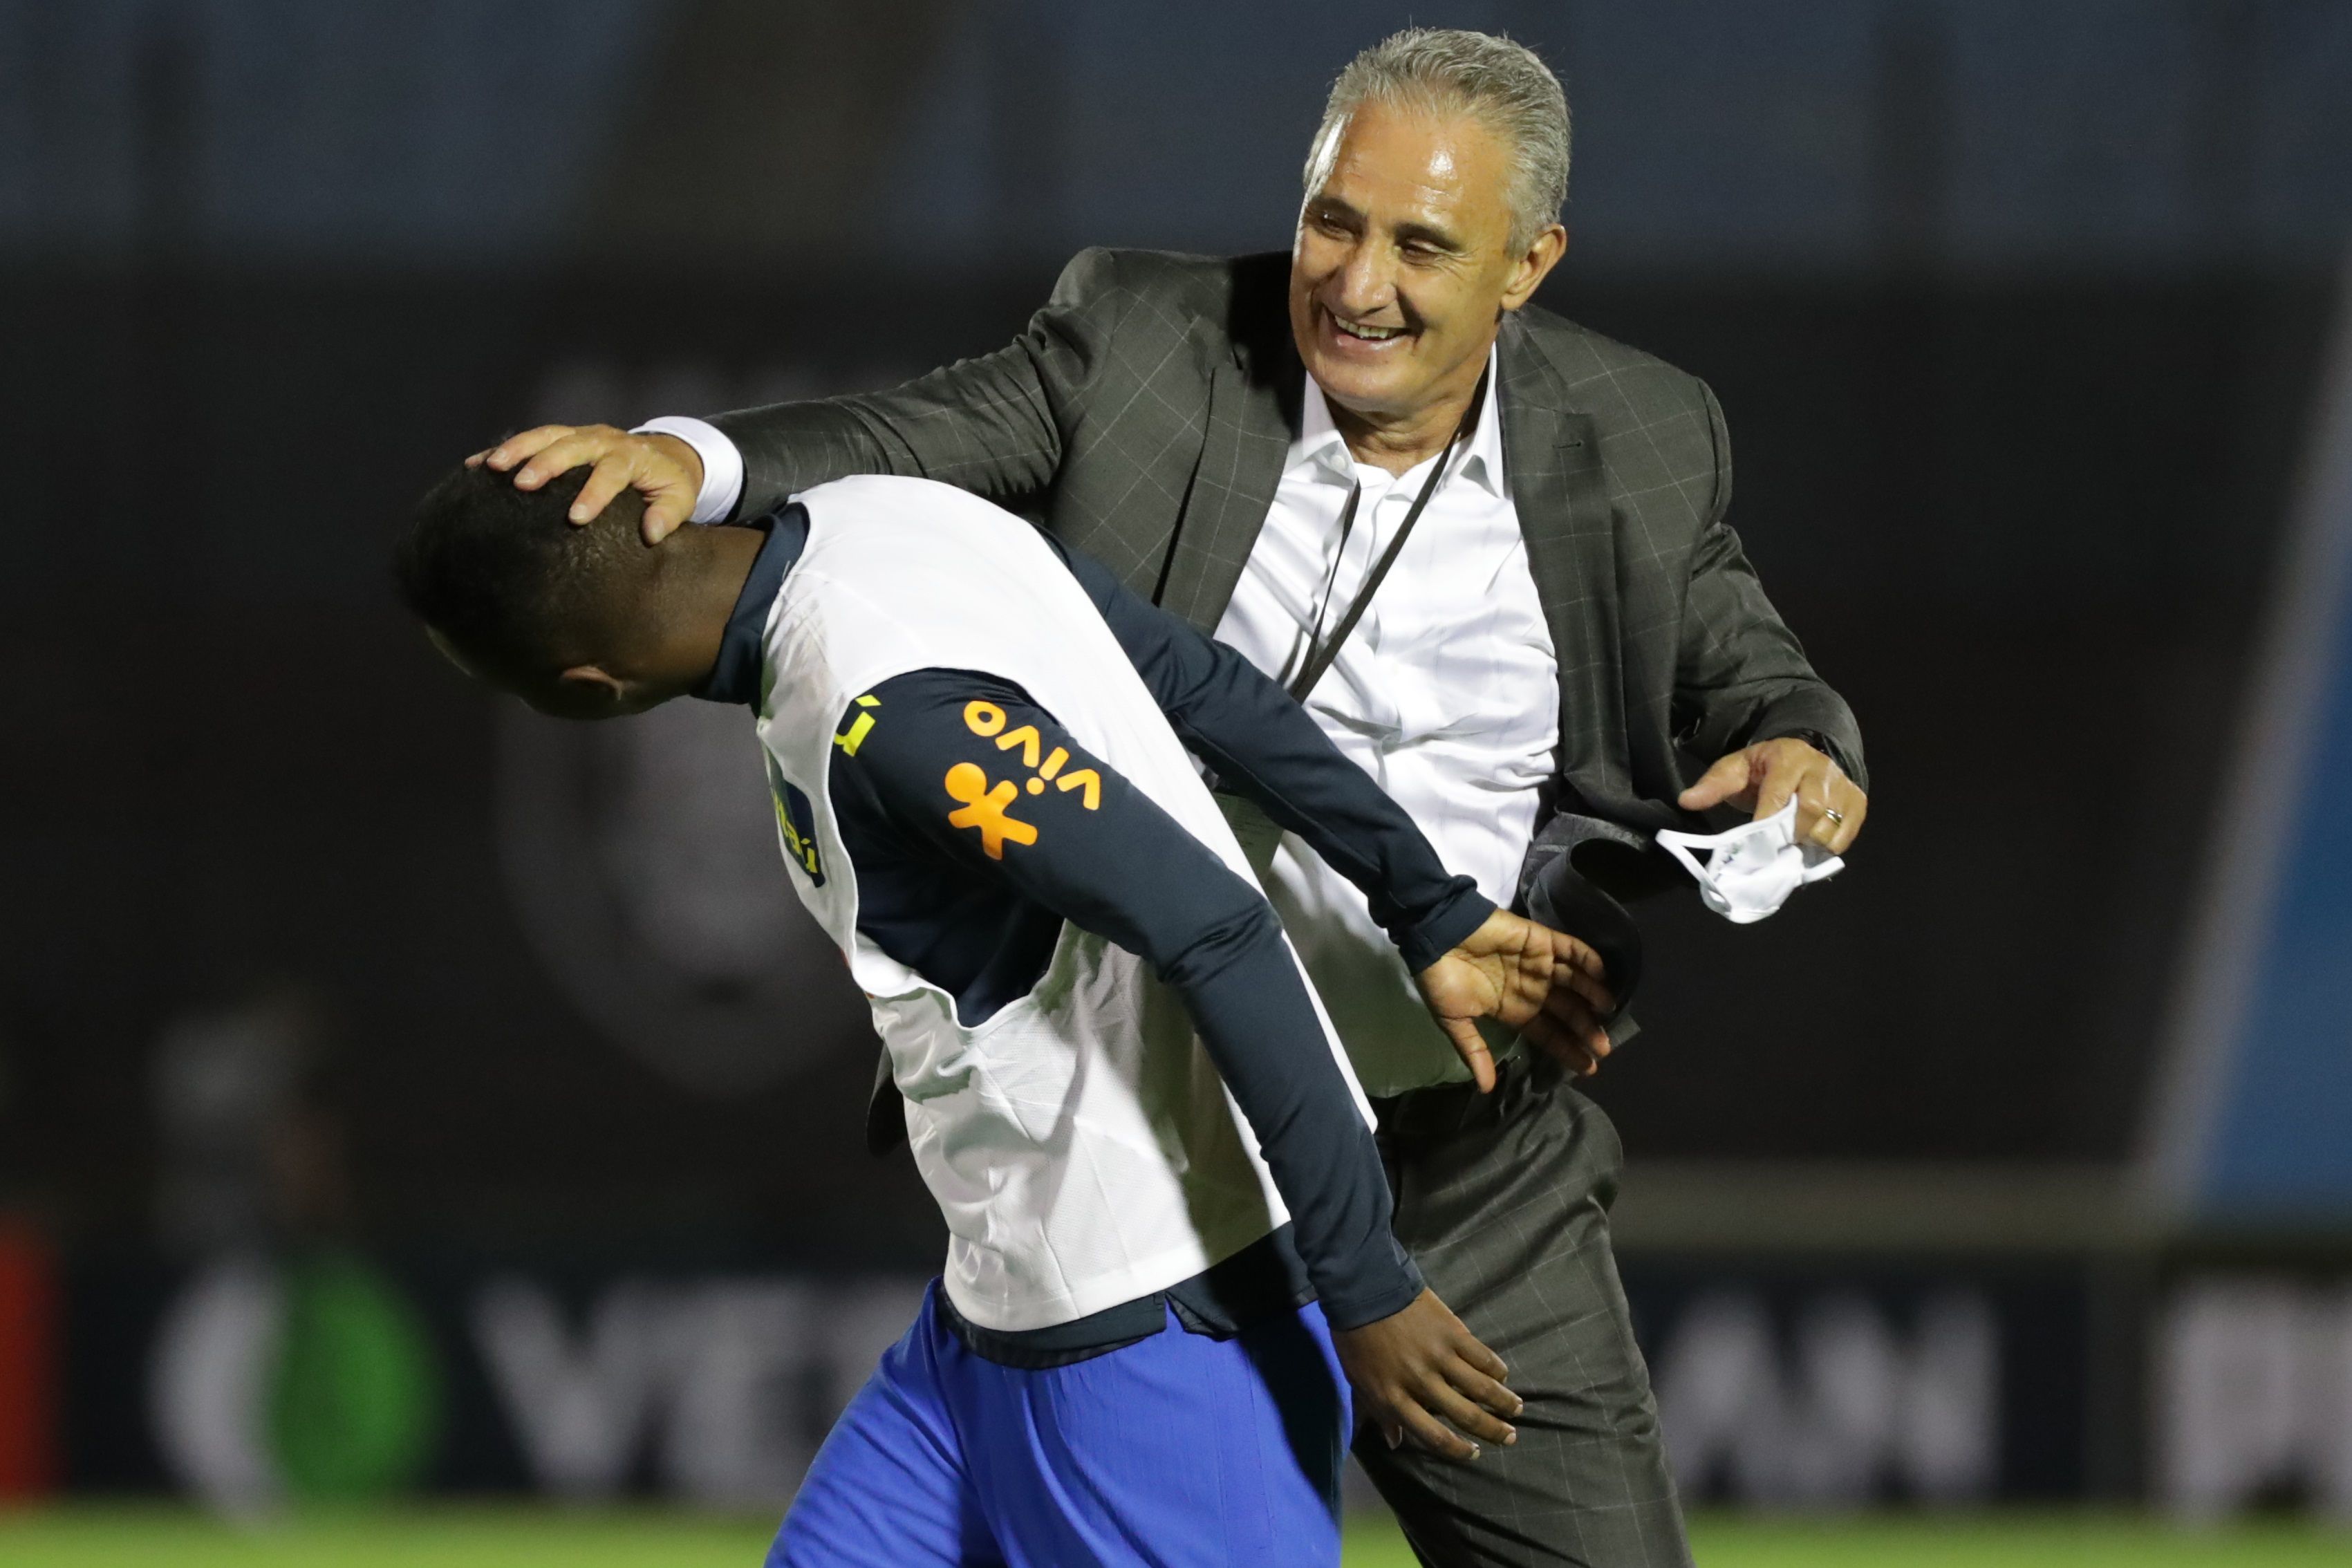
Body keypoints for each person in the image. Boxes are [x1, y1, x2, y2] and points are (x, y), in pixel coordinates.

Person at [477, 27, 1869, 1565]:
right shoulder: (1145, 342)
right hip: (1162, 1169)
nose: (1353, 281)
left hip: (1458, 1169)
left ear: (1526, 265)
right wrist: (685, 461)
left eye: (1420, 244)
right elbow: (902, 442)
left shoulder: (1646, 437)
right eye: (1333, 219)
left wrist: (1804, 745)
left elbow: (1749, 667)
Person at [395, 460, 1618, 1566]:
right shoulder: (890, 513)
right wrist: (1426, 902)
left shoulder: (878, 712)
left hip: (1144, 1325)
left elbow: (1217, 926)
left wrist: (1366, 1280)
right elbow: (1201, 684)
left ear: (583, 690)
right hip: (989, 1320)